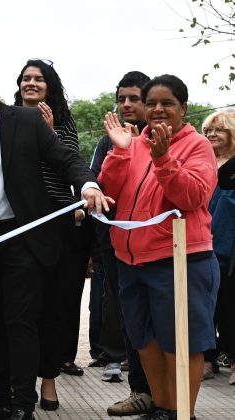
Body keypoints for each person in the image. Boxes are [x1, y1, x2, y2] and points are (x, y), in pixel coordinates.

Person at [0, 66, 107, 420]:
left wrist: (87, 185)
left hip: (24, 240)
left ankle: (23, 405)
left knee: (21, 320)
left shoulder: (26, 122)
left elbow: (66, 160)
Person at [99, 74, 218, 420]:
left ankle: (184, 413)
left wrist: (165, 159)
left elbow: (192, 196)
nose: (158, 109)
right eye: (151, 103)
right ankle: (163, 408)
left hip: (180, 259)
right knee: (144, 340)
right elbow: (109, 194)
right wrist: (120, 152)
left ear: (184, 108)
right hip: (131, 260)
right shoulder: (134, 142)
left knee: (179, 342)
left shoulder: (198, 146)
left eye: (167, 103)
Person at [12, 58, 91, 411]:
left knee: (53, 306)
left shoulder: (63, 120)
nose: (31, 83)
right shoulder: (7, 117)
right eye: (26, 78)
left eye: (38, 79)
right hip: (16, 222)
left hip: (57, 221)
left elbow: (68, 163)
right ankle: (18, 385)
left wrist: (49, 132)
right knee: (20, 308)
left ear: (49, 86)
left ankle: (48, 382)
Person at [89, 71, 155, 417]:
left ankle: (170, 397)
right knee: (131, 320)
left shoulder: (161, 138)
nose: (126, 105)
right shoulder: (107, 141)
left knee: (161, 324)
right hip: (117, 249)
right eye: (121, 98)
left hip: (159, 250)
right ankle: (141, 391)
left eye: (134, 98)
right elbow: (100, 190)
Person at [203, 110, 235, 386]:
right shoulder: (201, 162)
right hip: (202, 242)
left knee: (230, 305)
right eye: (208, 130)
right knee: (204, 306)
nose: (212, 134)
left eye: (219, 130)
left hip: (229, 243)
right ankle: (206, 359)